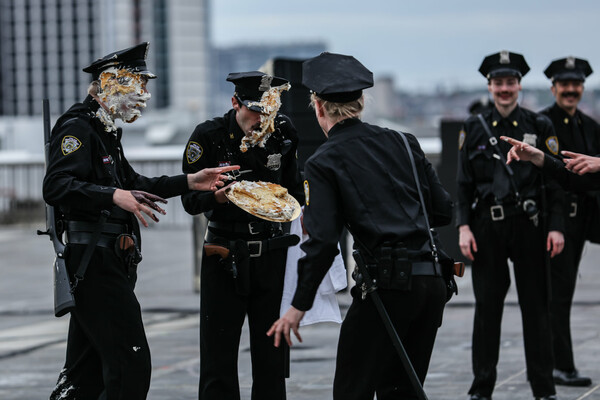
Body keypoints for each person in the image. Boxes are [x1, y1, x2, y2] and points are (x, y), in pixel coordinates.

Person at [43, 42, 237, 400]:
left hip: (112, 260)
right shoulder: (78, 127)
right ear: (112, 82)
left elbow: (134, 184)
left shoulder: (106, 132)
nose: (144, 94)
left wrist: (193, 181)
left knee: (84, 375)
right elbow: (56, 185)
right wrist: (113, 196)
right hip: (93, 261)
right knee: (130, 364)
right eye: (139, 84)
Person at [268, 52, 453, 400]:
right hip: (432, 284)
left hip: (387, 288)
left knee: (352, 390)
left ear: (318, 107)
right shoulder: (404, 141)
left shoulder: (324, 161)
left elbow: (322, 242)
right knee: (403, 391)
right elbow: (443, 211)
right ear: (361, 103)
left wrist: (297, 306)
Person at [181, 71, 304, 400]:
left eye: (269, 111)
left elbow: (296, 190)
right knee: (218, 357)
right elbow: (189, 200)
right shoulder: (209, 136)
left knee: (271, 357)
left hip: (271, 252)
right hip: (224, 253)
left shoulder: (283, 133)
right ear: (235, 103)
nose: (261, 119)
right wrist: (217, 198)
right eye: (255, 111)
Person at [456, 50, 565, 400]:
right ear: (489, 86)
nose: (505, 89)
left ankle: (544, 389)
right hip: (488, 227)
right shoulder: (473, 128)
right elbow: (463, 184)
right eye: (498, 83)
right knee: (487, 310)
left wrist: (556, 226)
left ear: (519, 85)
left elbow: (555, 180)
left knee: (537, 310)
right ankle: (481, 388)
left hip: (530, 225)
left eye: (510, 82)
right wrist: (463, 227)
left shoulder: (540, 126)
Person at [540, 56, 598, 387]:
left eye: (576, 85)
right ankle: (560, 365)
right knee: (556, 296)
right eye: (565, 85)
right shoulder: (543, 122)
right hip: (555, 222)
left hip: (583, 221)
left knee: (565, 293)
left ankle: (560, 363)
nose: (571, 90)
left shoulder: (590, 126)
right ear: (554, 88)